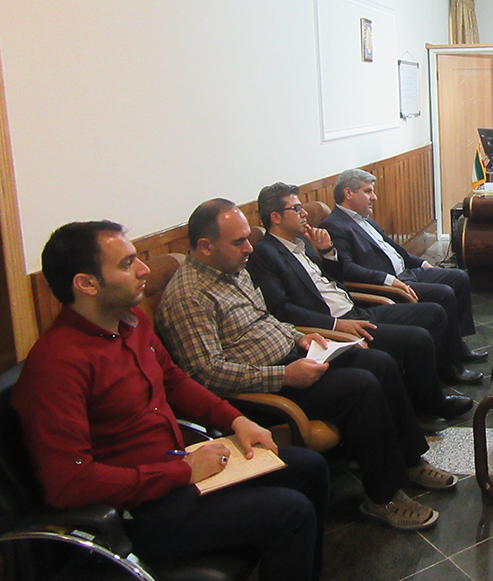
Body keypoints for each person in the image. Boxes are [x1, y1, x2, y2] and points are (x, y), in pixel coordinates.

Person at [12, 221, 329, 581]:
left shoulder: (131, 322)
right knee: (291, 512)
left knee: (308, 468)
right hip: (135, 512)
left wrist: (236, 420)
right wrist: (183, 471)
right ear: (86, 283)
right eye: (127, 264)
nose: (143, 270)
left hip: (175, 470)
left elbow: (174, 382)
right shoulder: (56, 364)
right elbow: (69, 483)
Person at [156, 199, 455, 531]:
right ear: (205, 246)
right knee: (361, 387)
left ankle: (410, 461)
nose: (249, 248)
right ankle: (382, 497)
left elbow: (267, 319)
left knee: (379, 363)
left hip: (294, 358)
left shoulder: (233, 270)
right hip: (264, 388)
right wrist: (284, 375)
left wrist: (299, 337)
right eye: (239, 241)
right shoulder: (189, 297)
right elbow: (207, 374)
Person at [247, 182, 473, 422]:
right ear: (276, 217)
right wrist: (336, 325)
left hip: (355, 310)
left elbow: (335, 282)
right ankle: (430, 405)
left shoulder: (303, 244)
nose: (304, 214)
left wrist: (327, 252)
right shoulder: (265, 254)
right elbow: (282, 309)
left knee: (434, 313)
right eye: (296, 209)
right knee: (417, 339)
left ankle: (432, 381)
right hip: (334, 325)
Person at [320, 168, 485, 383]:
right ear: (348, 193)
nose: (374, 197)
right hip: (389, 285)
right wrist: (389, 280)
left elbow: (394, 249)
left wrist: (422, 263)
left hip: (407, 272)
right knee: (443, 294)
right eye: (368, 191)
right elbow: (347, 269)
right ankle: (448, 366)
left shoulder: (365, 219)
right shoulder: (333, 225)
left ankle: (456, 346)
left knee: (459, 277)